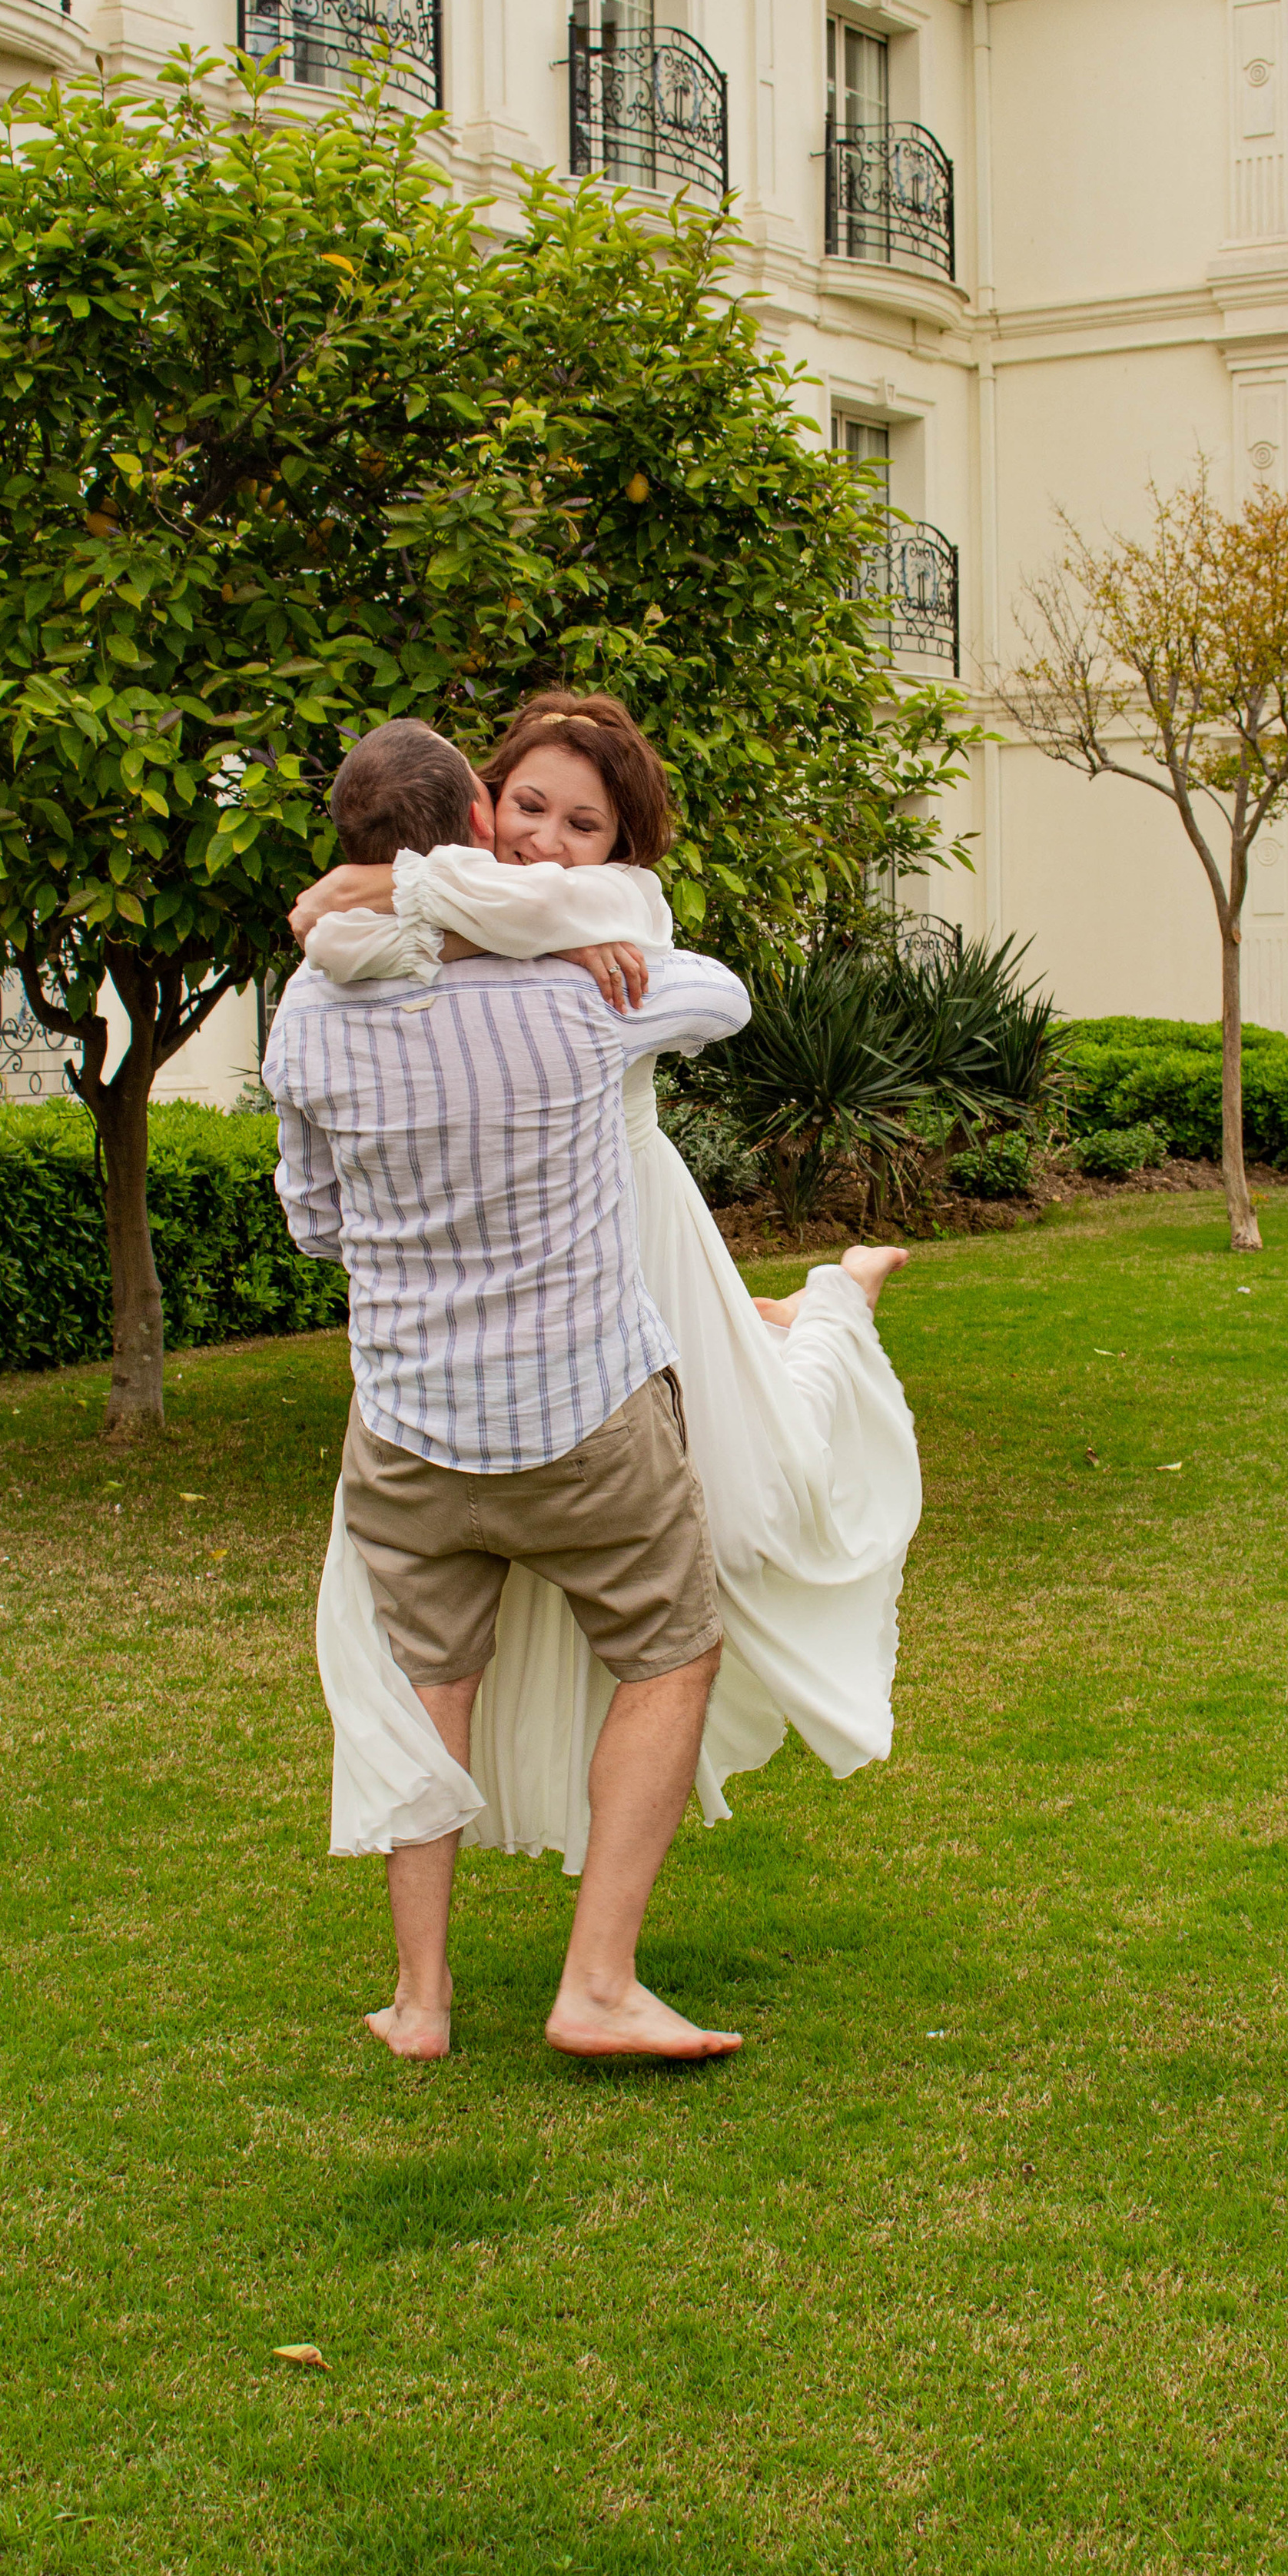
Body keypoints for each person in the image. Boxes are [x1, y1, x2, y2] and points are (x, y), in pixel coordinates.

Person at [288, 690, 921, 1900]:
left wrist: (420, 894)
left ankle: (831, 1307)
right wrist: (493, 920)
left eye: (584, 826)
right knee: (507, 1582)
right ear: (485, 804)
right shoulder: (506, 926)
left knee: (754, 1511)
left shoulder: (614, 920)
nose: (547, 842)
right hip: (521, 1269)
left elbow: (709, 995)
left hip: (632, 1232)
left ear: (620, 846)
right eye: (529, 807)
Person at [264, 716, 753, 2063]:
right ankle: (595, 1984)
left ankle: (421, 2004)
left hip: (411, 1429)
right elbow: (723, 996)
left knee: (428, 1685)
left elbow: (313, 1226)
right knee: (671, 1654)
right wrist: (548, 926)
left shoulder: (303, 1014)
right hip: (581, 1416)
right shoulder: (582, 995)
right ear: (481, 826)